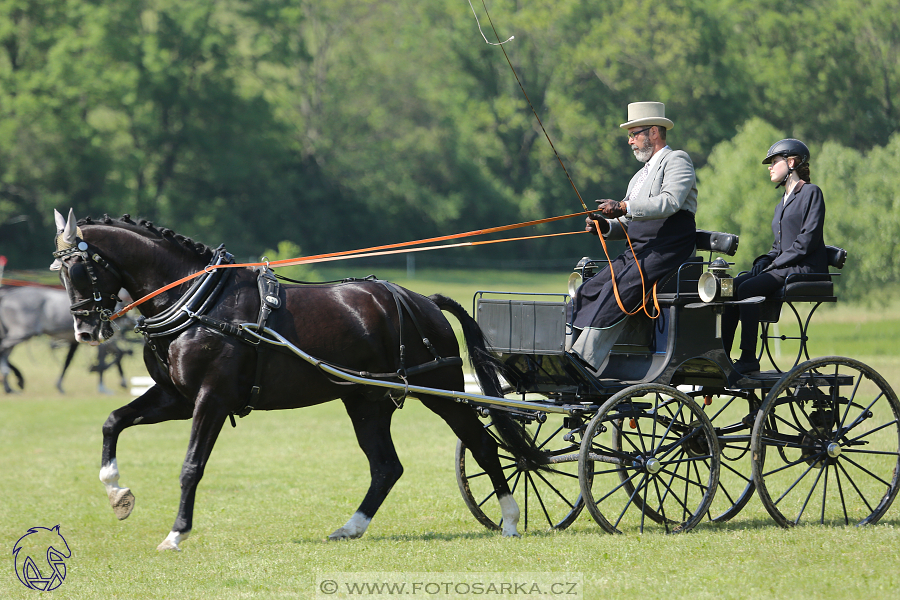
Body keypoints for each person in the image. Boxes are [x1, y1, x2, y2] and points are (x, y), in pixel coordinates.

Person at [568, 102, 698, 370]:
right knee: (590, 289)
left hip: (669, 249)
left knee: (620, 289)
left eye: (634, 133)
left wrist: (624, 207)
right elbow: (627, 225)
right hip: (639, 251)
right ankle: (564, 350)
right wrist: (605, 227)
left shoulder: (677, 160)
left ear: (653, 132)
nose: (629, 141)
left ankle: (584, 363)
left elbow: (670, 202)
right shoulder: (638, 177)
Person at [721, 138, 827, 374]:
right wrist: (765, 260)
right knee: (731, 286)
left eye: (774, 161)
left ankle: (748, 357)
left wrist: (774, 264)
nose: (769, 167)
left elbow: (805, 242)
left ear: (791, 162)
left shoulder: (811, 193)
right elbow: (779, 245)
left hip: (805, 268)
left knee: (748, 289)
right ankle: (723, 356)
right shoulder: (782, 202)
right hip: (784, 266)